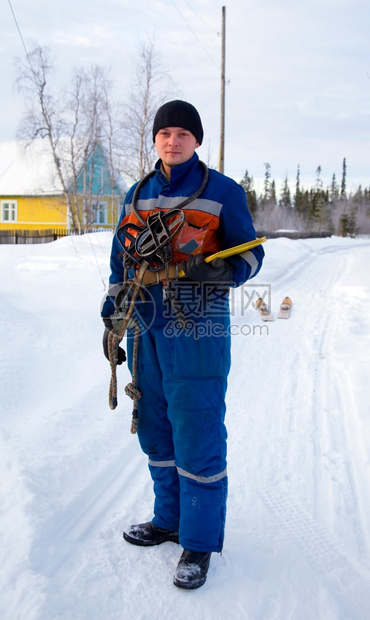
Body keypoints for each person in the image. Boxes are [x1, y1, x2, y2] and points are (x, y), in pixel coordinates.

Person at [101, 100, 264, 589]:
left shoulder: (222, 192)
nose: (173, 141)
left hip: (198, 322)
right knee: (154, 425)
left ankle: (198, 541)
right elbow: (119, 266)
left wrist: (225, 270)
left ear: (196, 140)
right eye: (165, 133)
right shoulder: (136, 195)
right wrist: (112, 321)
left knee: (196, 426)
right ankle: (168, 519)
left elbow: (252, 256)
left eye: (183, 134)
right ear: (155, 140)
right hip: (144, 322)